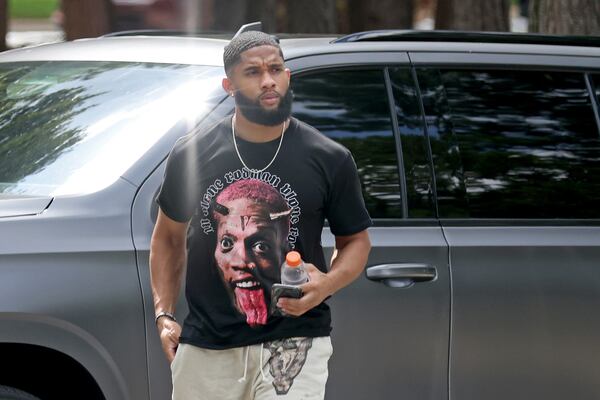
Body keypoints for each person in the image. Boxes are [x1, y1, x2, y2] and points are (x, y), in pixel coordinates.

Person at [150, 30, 372, 400]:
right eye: (252, 72)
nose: (268, 81)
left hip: (295, 342)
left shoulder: (329, 158)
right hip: (208, 346)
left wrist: (326, 285)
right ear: (229, 85)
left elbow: (357, 242)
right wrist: (164, 315)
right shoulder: (193, 153)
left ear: (288, 76)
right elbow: (168, 238)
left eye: (275, 69)